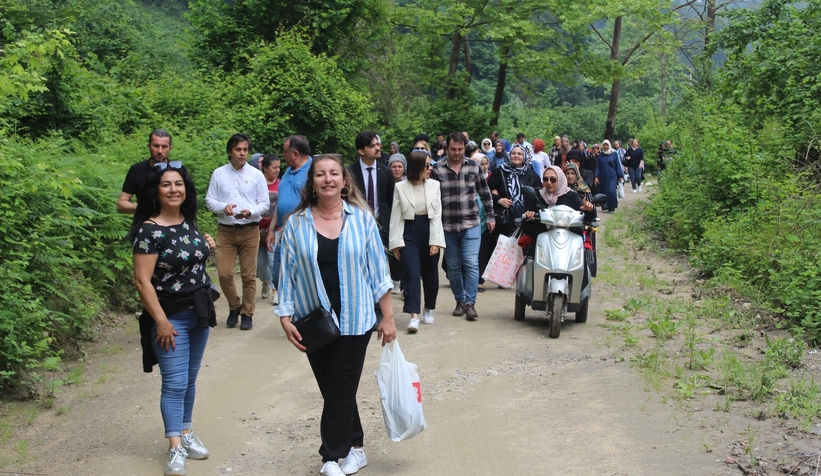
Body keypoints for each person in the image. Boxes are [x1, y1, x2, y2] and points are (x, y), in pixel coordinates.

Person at [275, 154, 396, 476]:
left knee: (340, 386)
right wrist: (284, 316)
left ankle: (331, 456)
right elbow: (285, 274)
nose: (327, 179)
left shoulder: (362, 219)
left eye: (334, 174)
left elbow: (378, 272)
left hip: (356, 319)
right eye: (320, 175)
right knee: (334, 389)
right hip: (313, 321)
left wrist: (388, 317)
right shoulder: (296, 223)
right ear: (312, 183)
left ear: (344, 181)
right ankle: (356, 446)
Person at [129, 162, 217, 476]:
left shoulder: (187, 221)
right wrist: (162, 322)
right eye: (166, 185)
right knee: (174, 383)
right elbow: (142, 281)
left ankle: (186, 431)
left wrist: (207, 247)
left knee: (190, 380)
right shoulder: (149, 230)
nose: (173, 189)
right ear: (156, 191)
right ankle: (175, 447)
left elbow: (191, 263)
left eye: (178, 184)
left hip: (199, 312)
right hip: (171, 317)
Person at [205, 133, 269, 330]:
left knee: (249, 275)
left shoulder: (256, 175)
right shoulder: (218, 173)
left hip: (249, 229)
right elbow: (209, 200)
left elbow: (264, 203)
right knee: (224, 273)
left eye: (245, 150)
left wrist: (250, 212)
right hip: (226, 229)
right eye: (238, 149)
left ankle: (247, 313)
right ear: (230, 151)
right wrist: (223, 207)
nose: (242, 153)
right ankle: (234, 306)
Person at [429, 132, 495, 321]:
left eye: (460, 149)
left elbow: (485, 192)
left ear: (465, 148)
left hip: (471, 223)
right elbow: (432, 197)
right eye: (453, 149)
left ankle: (470, 304)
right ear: (447, 148)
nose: (457, 153)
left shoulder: (474, 166)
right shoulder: (437, 169)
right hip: (447, 225)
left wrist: (490, 216)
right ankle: (459, 300)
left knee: (471, 263)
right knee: (453, 266)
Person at [389, 151, 445, 333]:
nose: (430, 169)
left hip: (429, 229)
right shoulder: (400, 187)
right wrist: (396, 244)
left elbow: (437, 216)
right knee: (412, 273)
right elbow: (396, 217)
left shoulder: (435, 185)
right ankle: (414, 315)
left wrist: (436, 241)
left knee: (430, 274)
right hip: (409, 231)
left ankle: (429, 308)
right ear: (417, 167)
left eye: (431, 165)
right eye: (427, 165)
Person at [266, 136, 313, 305]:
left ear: (295, 154)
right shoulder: (287, 171)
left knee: (301, 277)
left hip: (304, 233)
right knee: (278, 275)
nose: (282, 155)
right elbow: (282, 202)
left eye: (285, 151)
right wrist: (272, 230)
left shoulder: (313, 171)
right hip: (283, 233)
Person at [487, 144, 541, 238]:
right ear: (509, 155)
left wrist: (533, 211)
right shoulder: (500, 172)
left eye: (519, 154)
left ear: (524, 156)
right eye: (513, 153)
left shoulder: (532, 175)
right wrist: (499, 199)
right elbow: (486, 192)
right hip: (506, 222)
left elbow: (539, 195)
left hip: (527, 221)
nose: (516, 156)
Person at [118, 129, 173, 214]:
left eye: (164, 146)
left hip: (172, 223)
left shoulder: (177, 170)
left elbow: (188, 202)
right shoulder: (136, 170)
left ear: (170, 148)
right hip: (145, 223)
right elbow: (121, 205)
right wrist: (144, 207)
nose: (159, 151)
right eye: (156, 146)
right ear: (149, 146)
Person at [258, 155, 280, 303]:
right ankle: (265, 282)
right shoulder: (257, 184)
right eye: (274, 167)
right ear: (265, 168)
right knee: (259, 264)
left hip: (275, 229)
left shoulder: (281, 184)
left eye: (279, 167)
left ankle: (275, 291)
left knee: (273, 261)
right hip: (257, 230)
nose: (277, 170)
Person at [386, 153, 407, 294]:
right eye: (394, 166)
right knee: (392, 252)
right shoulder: (386, 183)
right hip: (389, 221)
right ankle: (395, 279)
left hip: (405, 222)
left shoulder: (408, 183)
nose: (397, 169)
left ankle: (404, 283)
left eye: (400, 166)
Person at [594, 140, 625, 213]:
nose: (605, 147)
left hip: (612, 176)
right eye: (604, 145)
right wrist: (596, 176)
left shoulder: (614, 154)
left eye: (607, 145)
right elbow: (597, 167)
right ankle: (607, 206)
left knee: (611, 190)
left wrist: (620, 175)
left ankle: (613, 206)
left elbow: (617, 165)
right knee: (605, 191)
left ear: (609, 146)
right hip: (603, 176)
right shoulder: (600, 155)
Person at [477, 156, 493, 293]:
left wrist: (490, 217)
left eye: (485, 163)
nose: (483, 167)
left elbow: (489, 198)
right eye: (479, 164)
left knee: (483, 252)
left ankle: (479, 281)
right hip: (469, 220)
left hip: (484, 220)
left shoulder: (491, 178)